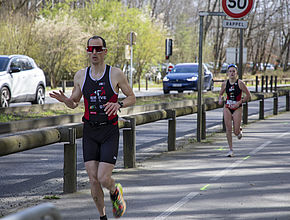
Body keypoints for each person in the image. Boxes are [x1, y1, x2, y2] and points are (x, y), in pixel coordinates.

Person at [49, 36, 136, 219]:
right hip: (90, 131)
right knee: (93, 179)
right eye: (91, 49)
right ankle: (102, 216)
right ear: (88, 51)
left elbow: (132, 97)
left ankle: (114, 190)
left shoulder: (116, 74)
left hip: (109, 131)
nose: (94, 52)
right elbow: (74, 102)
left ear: (104, 51)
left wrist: (119, 105)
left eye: (98, 49)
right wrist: (66, 100)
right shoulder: (81, 75)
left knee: (104, 178)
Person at [218, 64, 251, 157]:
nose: (232, 73)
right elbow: (220, 94)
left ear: (236, 73)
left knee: (235, 132)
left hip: (237, 107)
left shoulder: (240, 83)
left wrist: (239, 102)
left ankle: (239, 131)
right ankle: (230, 149)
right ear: (227, 73)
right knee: (228, 129)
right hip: (227, 107)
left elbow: (248, 95)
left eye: (233, 71)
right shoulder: (225, 83)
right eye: (230, 71)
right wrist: (220, 99)